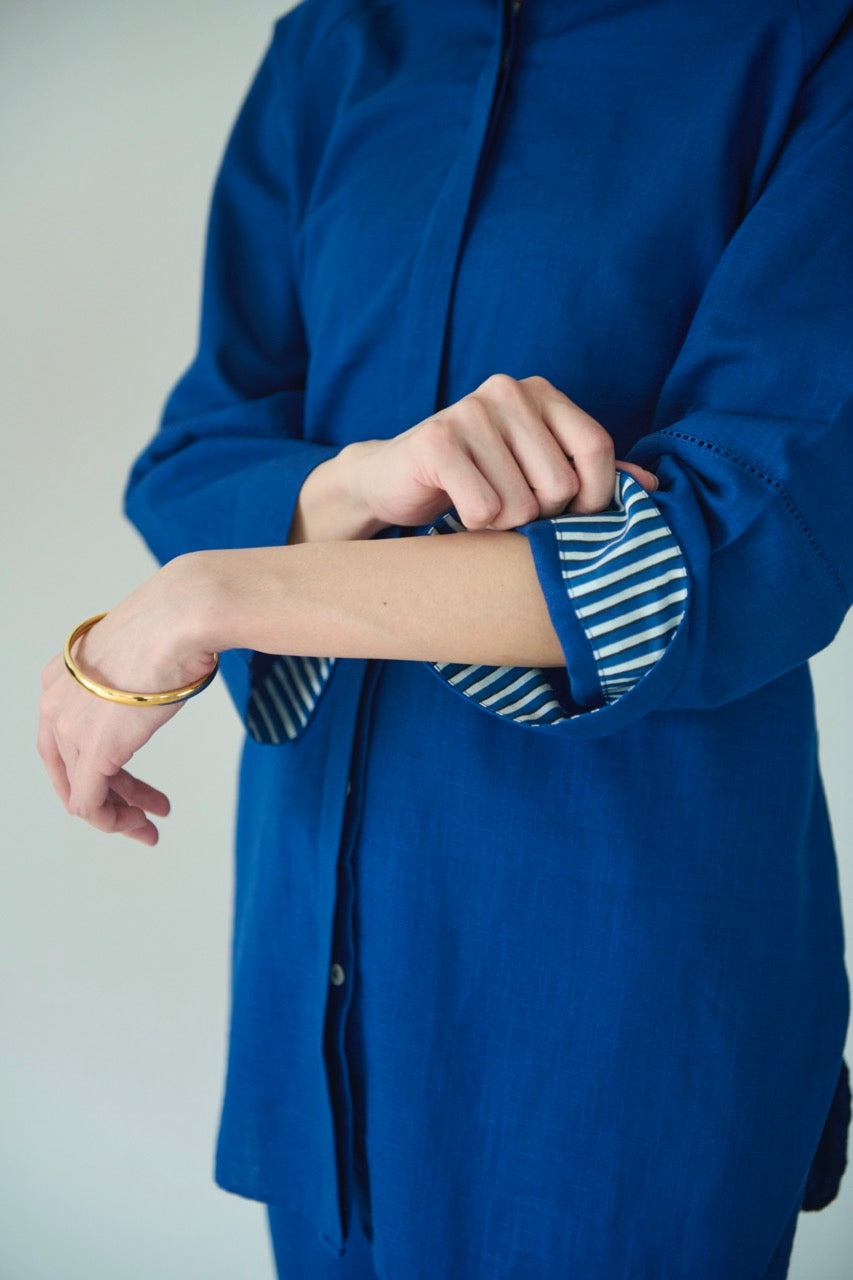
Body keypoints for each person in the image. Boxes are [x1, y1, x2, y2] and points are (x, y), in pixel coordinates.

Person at [38, 1, 853, 1276]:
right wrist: (356, 484)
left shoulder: (809, 41)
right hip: (315, 965)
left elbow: (747, 539)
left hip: (615, 1000)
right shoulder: (330, 48)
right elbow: (203, 441)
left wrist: (215, 595)